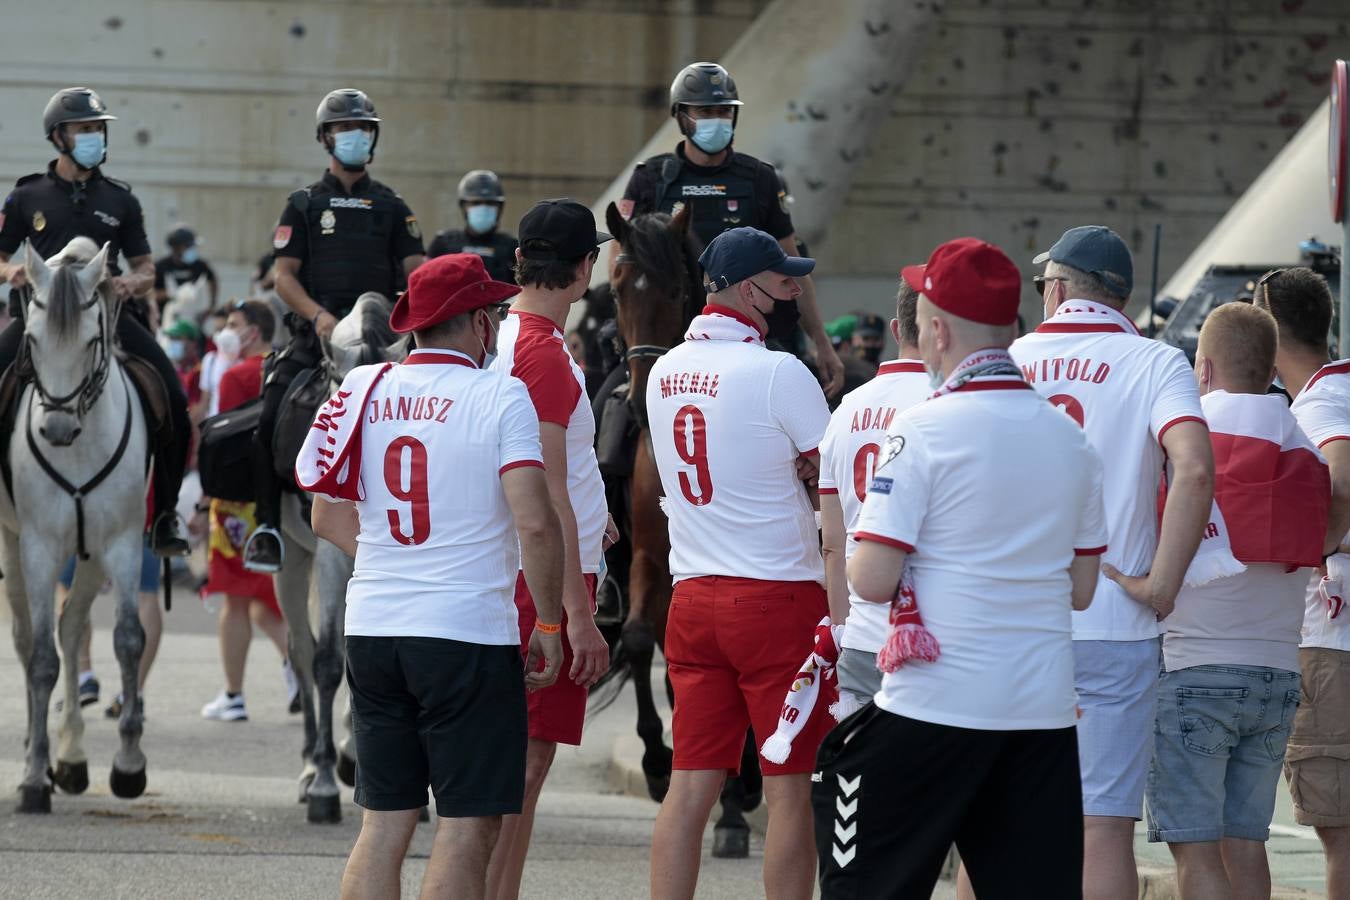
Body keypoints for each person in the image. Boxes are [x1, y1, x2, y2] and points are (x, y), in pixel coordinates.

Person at [818, 237, 1107, 899]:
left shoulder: (921, 429)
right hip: (1040, 712)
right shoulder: (1071, 439)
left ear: (937, 331)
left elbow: (870, 579)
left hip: (933, 706)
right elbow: (1083, 588)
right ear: (1009, 328)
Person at [302, 252, 565, 900]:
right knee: (465, 826)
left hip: (375, 626)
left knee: (384, 823)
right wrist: (552, 621)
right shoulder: (501, 393)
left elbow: (324, 512)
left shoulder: (362, 386)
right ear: (477, 323)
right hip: (466, 633)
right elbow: (535, 521)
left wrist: (395, 565)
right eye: (496, 314)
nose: (500, 326)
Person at [1009, 225, 1215, 900]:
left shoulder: (1008, 358)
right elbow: (1194, 470)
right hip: (1113, 622)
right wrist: (1163, 581)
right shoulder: (1156, 362)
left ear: (1061, 288)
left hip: (1012, 624)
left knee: (999, 824)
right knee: (1102, 829)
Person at [643, 226, 830, 900]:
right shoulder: (780, 370)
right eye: (781, 279)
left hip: (693, 594)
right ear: (747, 288)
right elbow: (828, 481)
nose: (791, 288)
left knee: (690, 786)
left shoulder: (663, 370)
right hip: (777, 596)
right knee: (791, 794)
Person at [1144, 301, 1330, 899]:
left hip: (1195, 664)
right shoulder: (1303, 443)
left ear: (1202, 369)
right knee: (1246, 844)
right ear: (1270, 366)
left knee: (1196, 853)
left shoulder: (1186, 439)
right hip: (1278, 670)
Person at [485, 200, 613, 900]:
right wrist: (575, 619)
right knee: (524, 771)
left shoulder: (504, 337)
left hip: (517, 564)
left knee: (512, 767)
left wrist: (597, 514)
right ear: (585, 268)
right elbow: (550, 491)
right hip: (543, 580)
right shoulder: (544, 354)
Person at [243, 87, 426, 573]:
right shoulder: (302, 204)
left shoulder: (393, 205)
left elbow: (417, 271)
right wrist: (319, 316)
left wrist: (403, 317)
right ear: (326, 138)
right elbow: (284, 276)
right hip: (317, 338)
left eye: (364, 129)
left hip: (385, 339)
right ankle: (266, 528)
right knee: (269, 417)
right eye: (346, 129)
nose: (356, 137)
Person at [0, 86, 189, 555]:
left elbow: (147, 267)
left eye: (98, 130)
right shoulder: (26, 196)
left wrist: (132, 283)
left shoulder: (120, 200)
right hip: (36, 324)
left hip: (106, 320)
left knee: (175, 400)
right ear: (59, 136)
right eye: (85, 130)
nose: (94, 138)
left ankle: (164, 517)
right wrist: (12, 271)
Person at [618, 61, 843, 397]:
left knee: (808, 395)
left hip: (755, 335)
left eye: (724, 111)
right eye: (706, 111)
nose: (717, 120)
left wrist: (822, 343)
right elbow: (620, 263)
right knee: (612, 408)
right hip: (667, 336)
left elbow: (793, 265)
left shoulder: (760, 179)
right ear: (681, 116)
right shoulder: (649, 180)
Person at [1254, 268, 1350, 899]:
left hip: (1333, 636)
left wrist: (1311, 544)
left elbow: (1340, 475)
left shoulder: (1318, 405)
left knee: (1341, 833)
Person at [819, 277, 929, 710]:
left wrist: (844, 631)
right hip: (931, 641)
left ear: (897, 331)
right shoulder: (948, 402)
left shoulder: (845, 409)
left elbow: (832, 543)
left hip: (860, 633)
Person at [198, 301, 297, 721]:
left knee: (235, 602)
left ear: (253, 331)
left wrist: (205, 500)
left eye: (235, 325)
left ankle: (234, 694)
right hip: (277, 502)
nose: (227, 331)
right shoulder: (288, 372)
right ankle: (297, 668)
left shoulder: (237, 375)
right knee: (265, 601)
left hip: (236, 504)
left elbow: (221, 442)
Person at [427, 170, 519, 284]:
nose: (483, 208)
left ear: (500, 208)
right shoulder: (443, 244)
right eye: (476, 203)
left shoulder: (512, 247)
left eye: (490, 203)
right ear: (463, 206)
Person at [153, 224, 218, 313]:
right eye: (189, 246)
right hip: (166, 318)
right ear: (176, 248)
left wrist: (211, 305)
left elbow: (212, 280)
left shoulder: (200, 265)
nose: (193, 249)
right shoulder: (161, 266)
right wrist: (171, 294)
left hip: (193, 318)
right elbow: (149, 295)